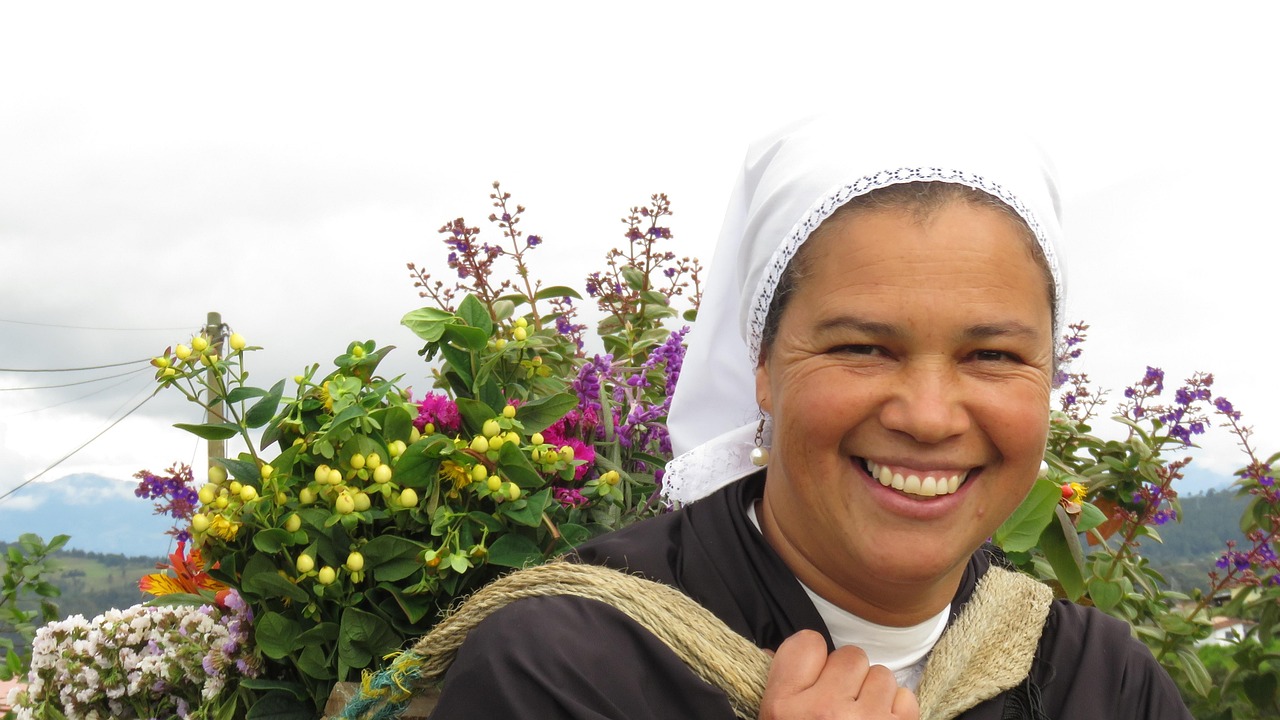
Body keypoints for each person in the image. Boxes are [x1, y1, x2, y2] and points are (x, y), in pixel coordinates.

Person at [426, 116, 1193, 719]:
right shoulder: (566, 667)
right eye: (863, 347)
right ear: (762, 365)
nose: (928, 417)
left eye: (992, 356)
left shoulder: (1101, 681)